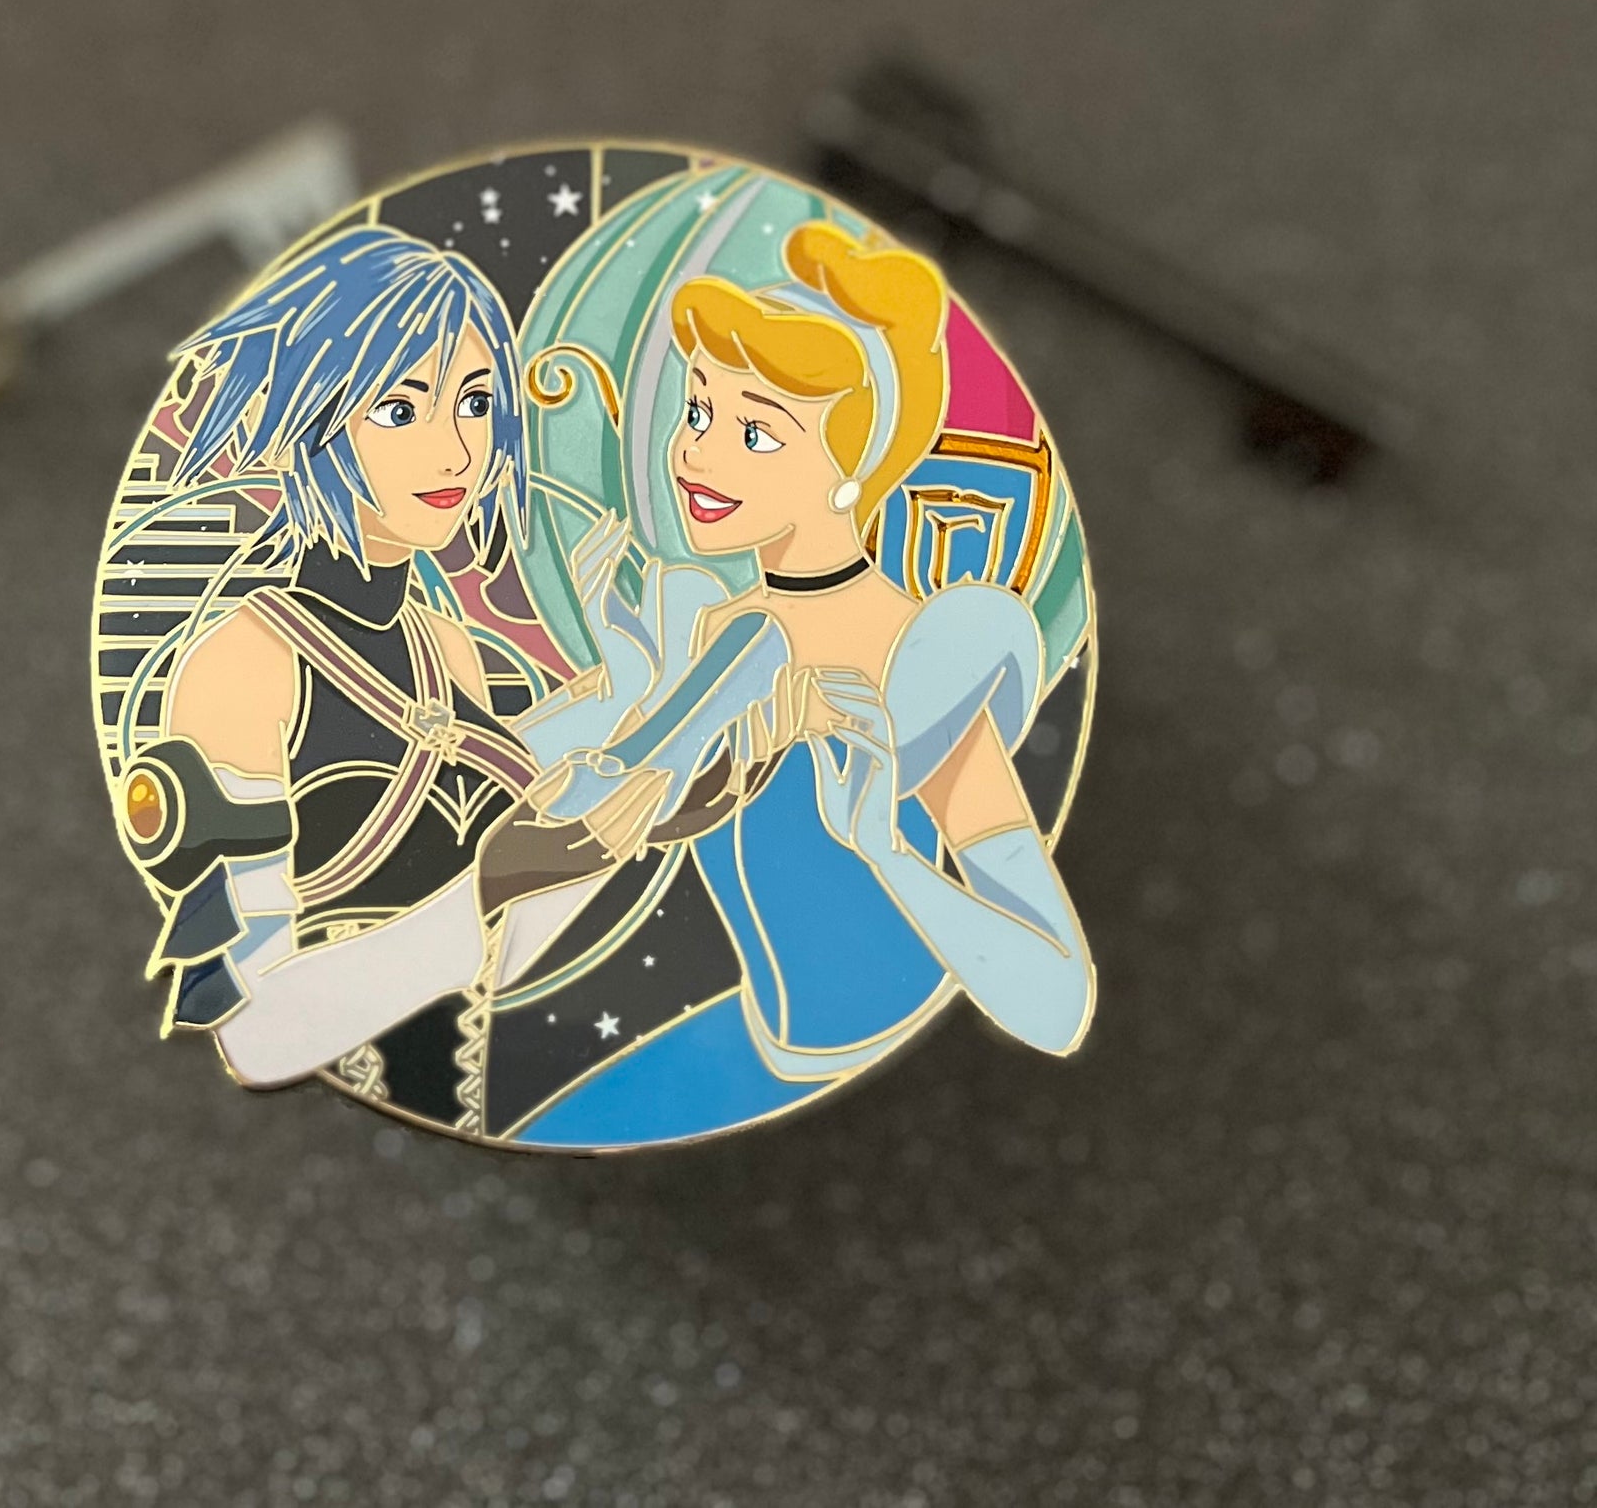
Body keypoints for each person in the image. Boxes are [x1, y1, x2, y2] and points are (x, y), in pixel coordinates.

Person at [501, 220, 1095, 1147]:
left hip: (840, 1063)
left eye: (755, 433)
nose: (697, 454)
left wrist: (887, 853)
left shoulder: (914, 659)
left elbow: (1057, 1004)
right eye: (698, 411)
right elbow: (590, 792)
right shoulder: (722, 625)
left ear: (851, 472)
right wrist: (619, 668)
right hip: (751, 1034)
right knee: (526, 1091)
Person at [114, 223, 541, 1127]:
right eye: (400, 409)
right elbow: (252, 1029)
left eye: (474, 402)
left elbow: (507, 929)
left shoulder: (446, 645)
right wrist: (494, 891)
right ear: (310, 421)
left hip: (496, 1091)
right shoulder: (244, 663)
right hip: (370, 1099)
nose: (456, 452)